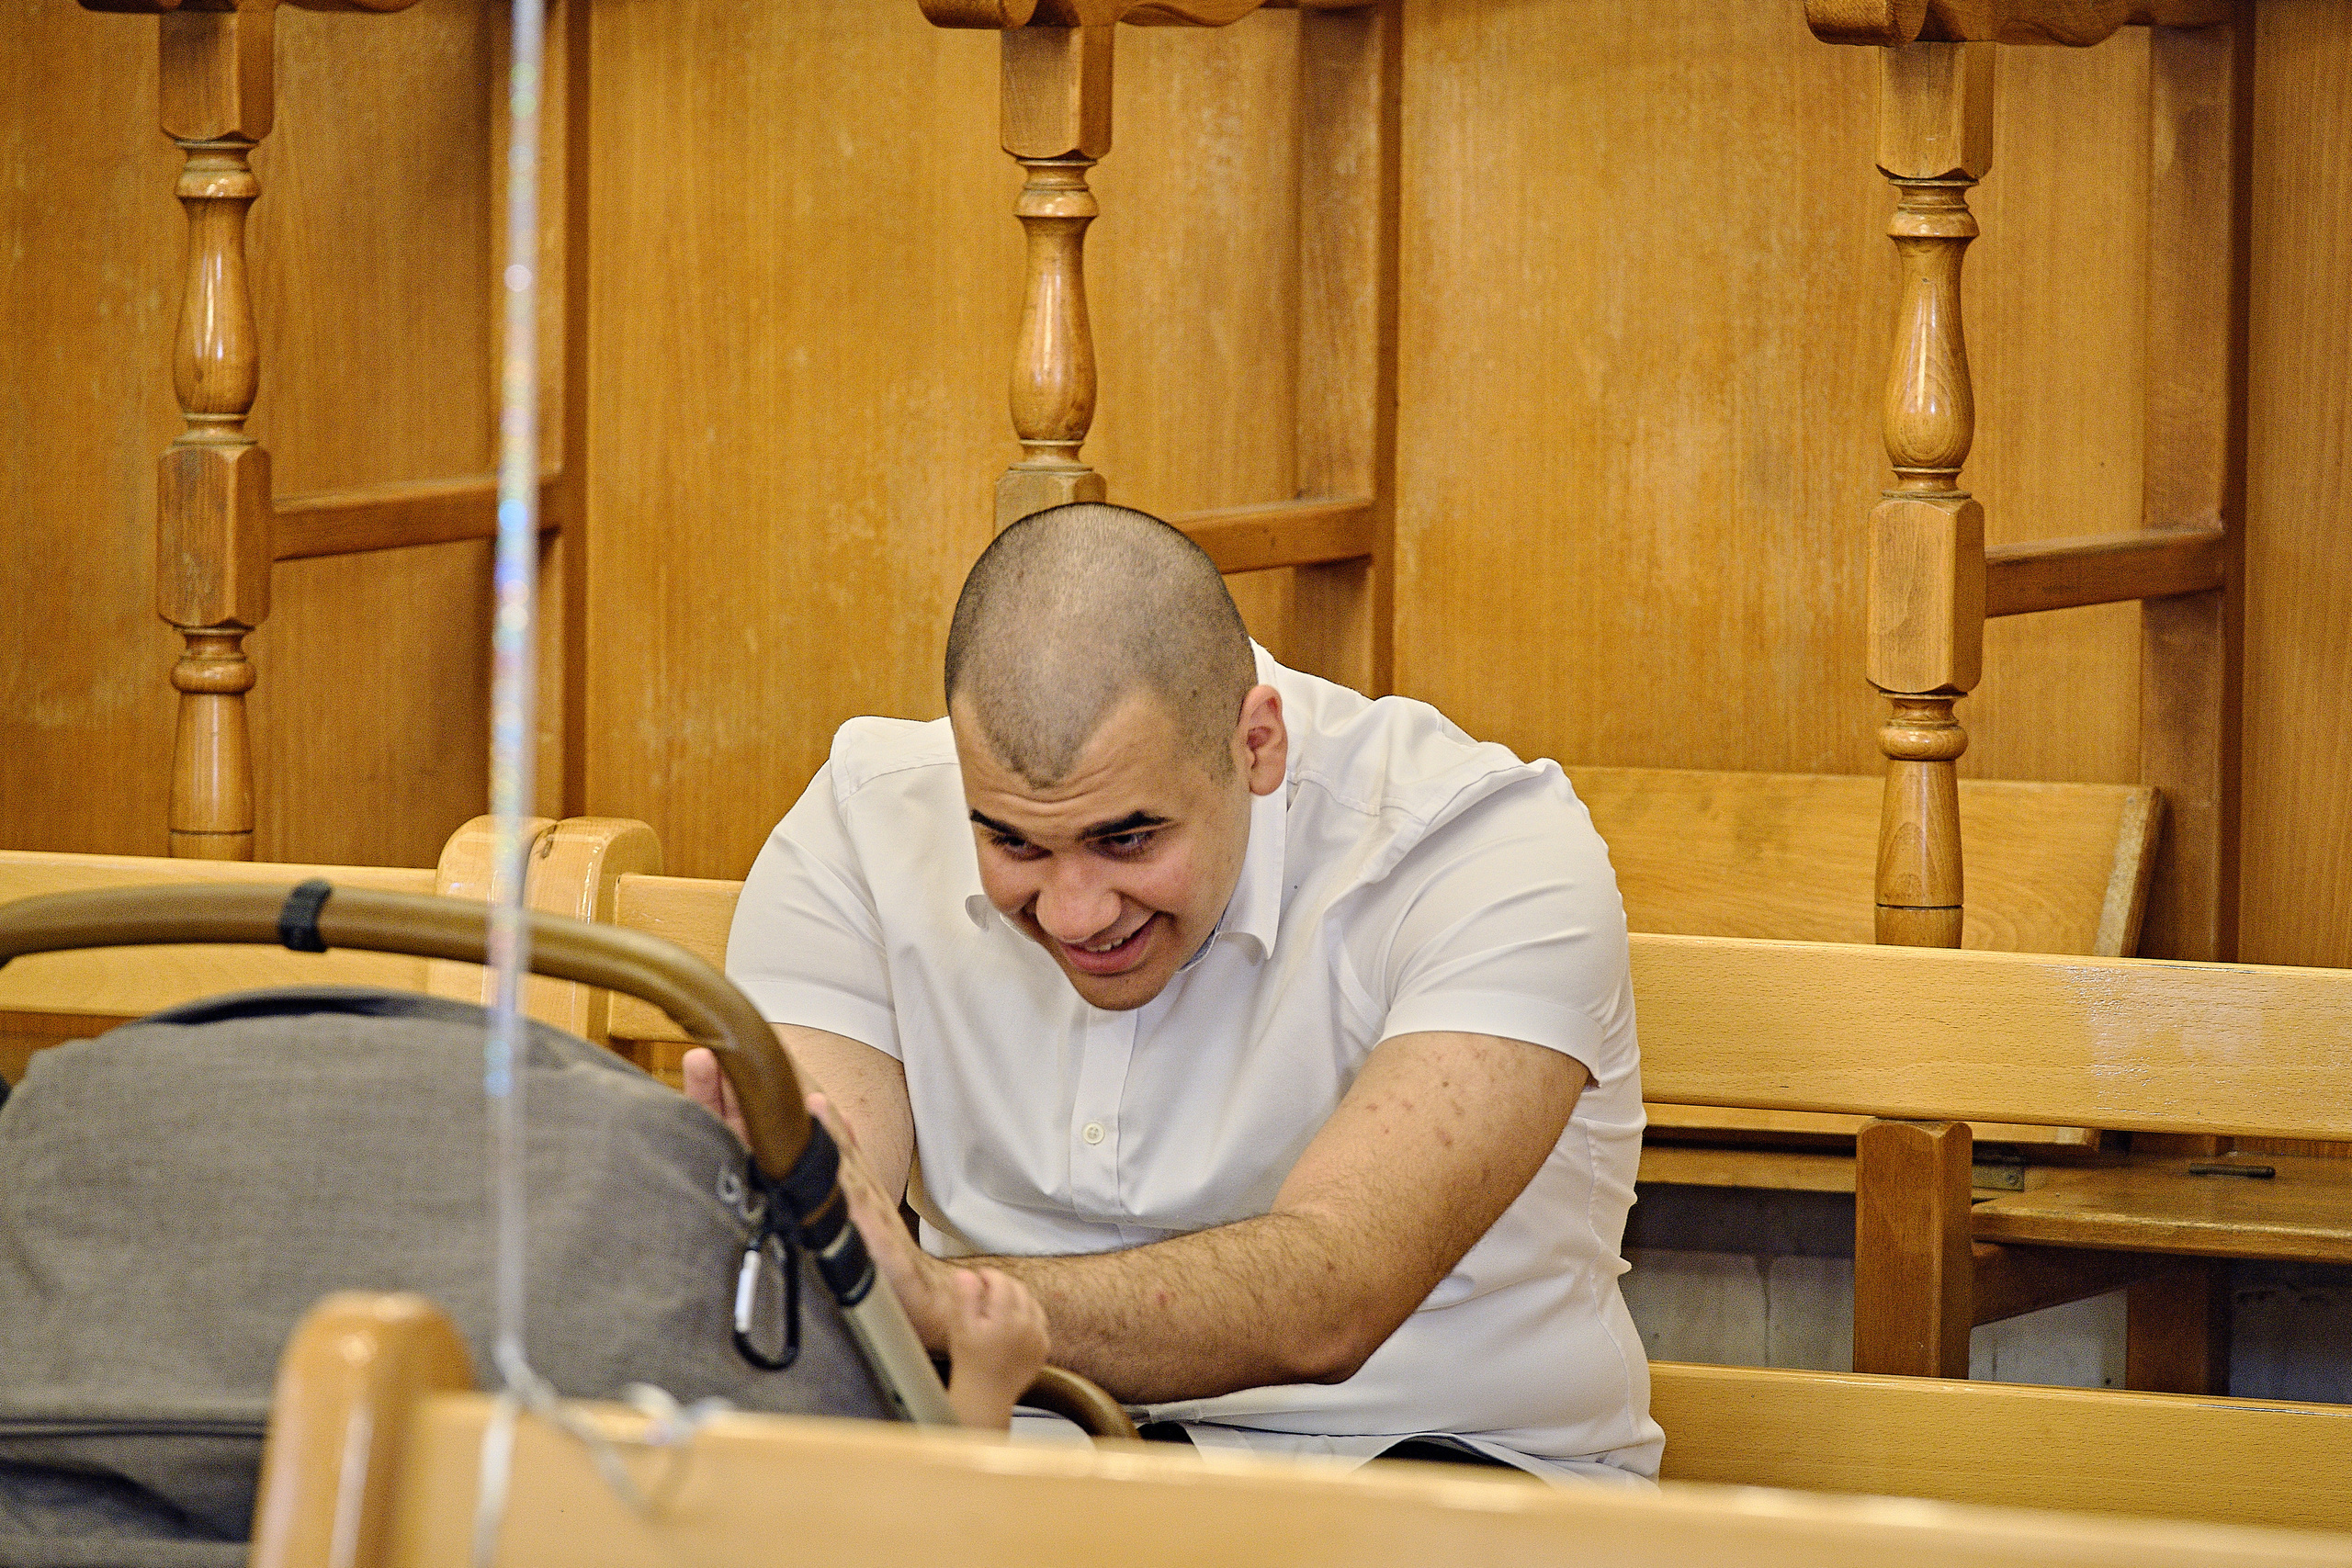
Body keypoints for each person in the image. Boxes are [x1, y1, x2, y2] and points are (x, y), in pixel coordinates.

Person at [694, 502, 1661, 1482]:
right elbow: (824, 1219)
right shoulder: (863, 822)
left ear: (1256, 746)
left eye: (1128, 839)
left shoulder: (1480, 849)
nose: (1074, 914)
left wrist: (942, 1300)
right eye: (1014, 842)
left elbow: (1337, 1293)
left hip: (1436, 1470)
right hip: (1022, 1464)